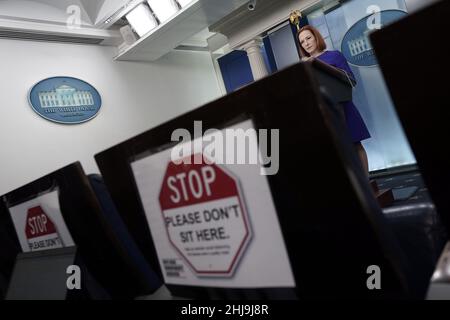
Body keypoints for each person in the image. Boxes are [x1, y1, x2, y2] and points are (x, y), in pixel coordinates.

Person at [297, 25, 371, 174]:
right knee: (338, 151)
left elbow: (351, 80)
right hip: (325, 112)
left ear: (316, 37)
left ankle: (366, 181)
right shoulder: (303, 65)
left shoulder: (334, 56)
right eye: (302, 41)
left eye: (308, 38)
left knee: (355, 144)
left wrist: (323, 67)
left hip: (345, 107)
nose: (306, 43)